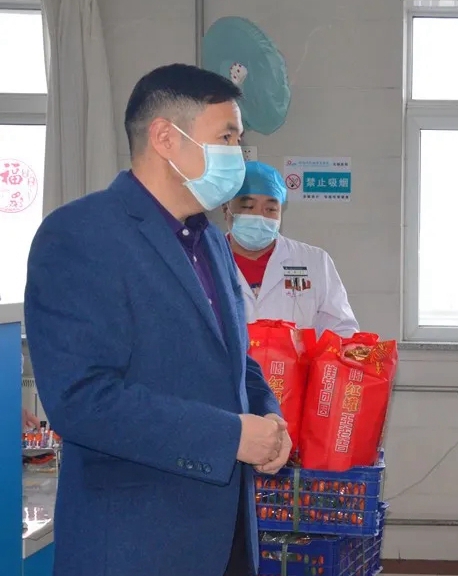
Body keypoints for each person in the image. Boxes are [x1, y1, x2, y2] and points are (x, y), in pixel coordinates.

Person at [24, 63, 290, 576]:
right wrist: (229, 437)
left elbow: (234, 359)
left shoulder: (208, 240)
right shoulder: (80, 235)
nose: (238, 154)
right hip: (138, 542)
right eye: (226, 137)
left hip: (227, 534)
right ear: (166, 137)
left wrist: (270, 419)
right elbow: (81, 400)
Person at [223, 161, 359, 336]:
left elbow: (342, 330)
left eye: (271, 209)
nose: (260, 216)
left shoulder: (314, 261)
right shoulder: (204, 261)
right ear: (226, 209)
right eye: (248, 207)